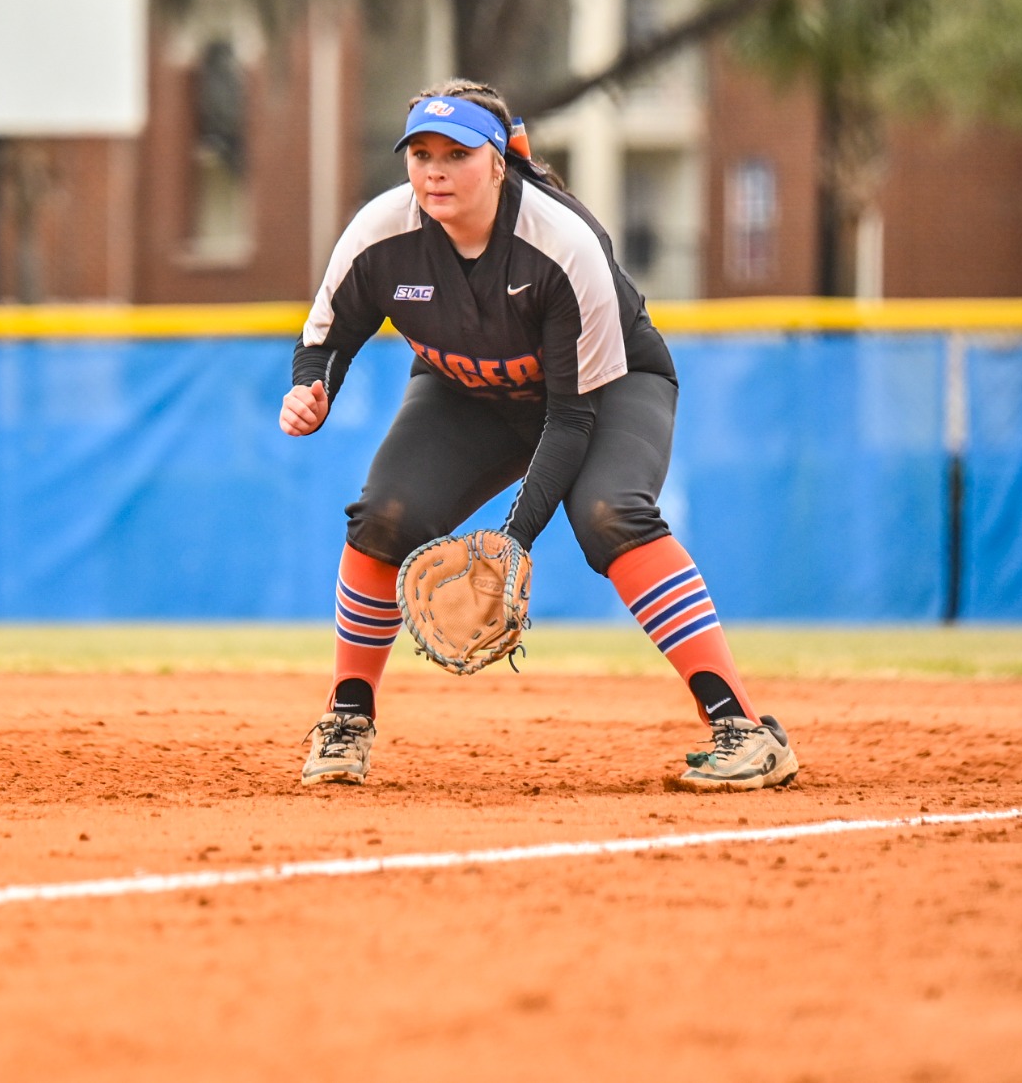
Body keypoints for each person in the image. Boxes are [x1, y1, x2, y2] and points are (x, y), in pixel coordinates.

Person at [281, 79, 797, 791]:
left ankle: (742, 728)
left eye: (457, 153)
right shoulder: (382, 232)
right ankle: (346, 721)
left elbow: (571, 418)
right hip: (466, 393)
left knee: (610, 515)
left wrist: (513, 539)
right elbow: (327, 337)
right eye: (421, 152)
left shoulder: (558, 243)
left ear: (498, 162)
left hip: (606, 389)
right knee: (384, 518)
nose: (434, 169)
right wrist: (315, 389)